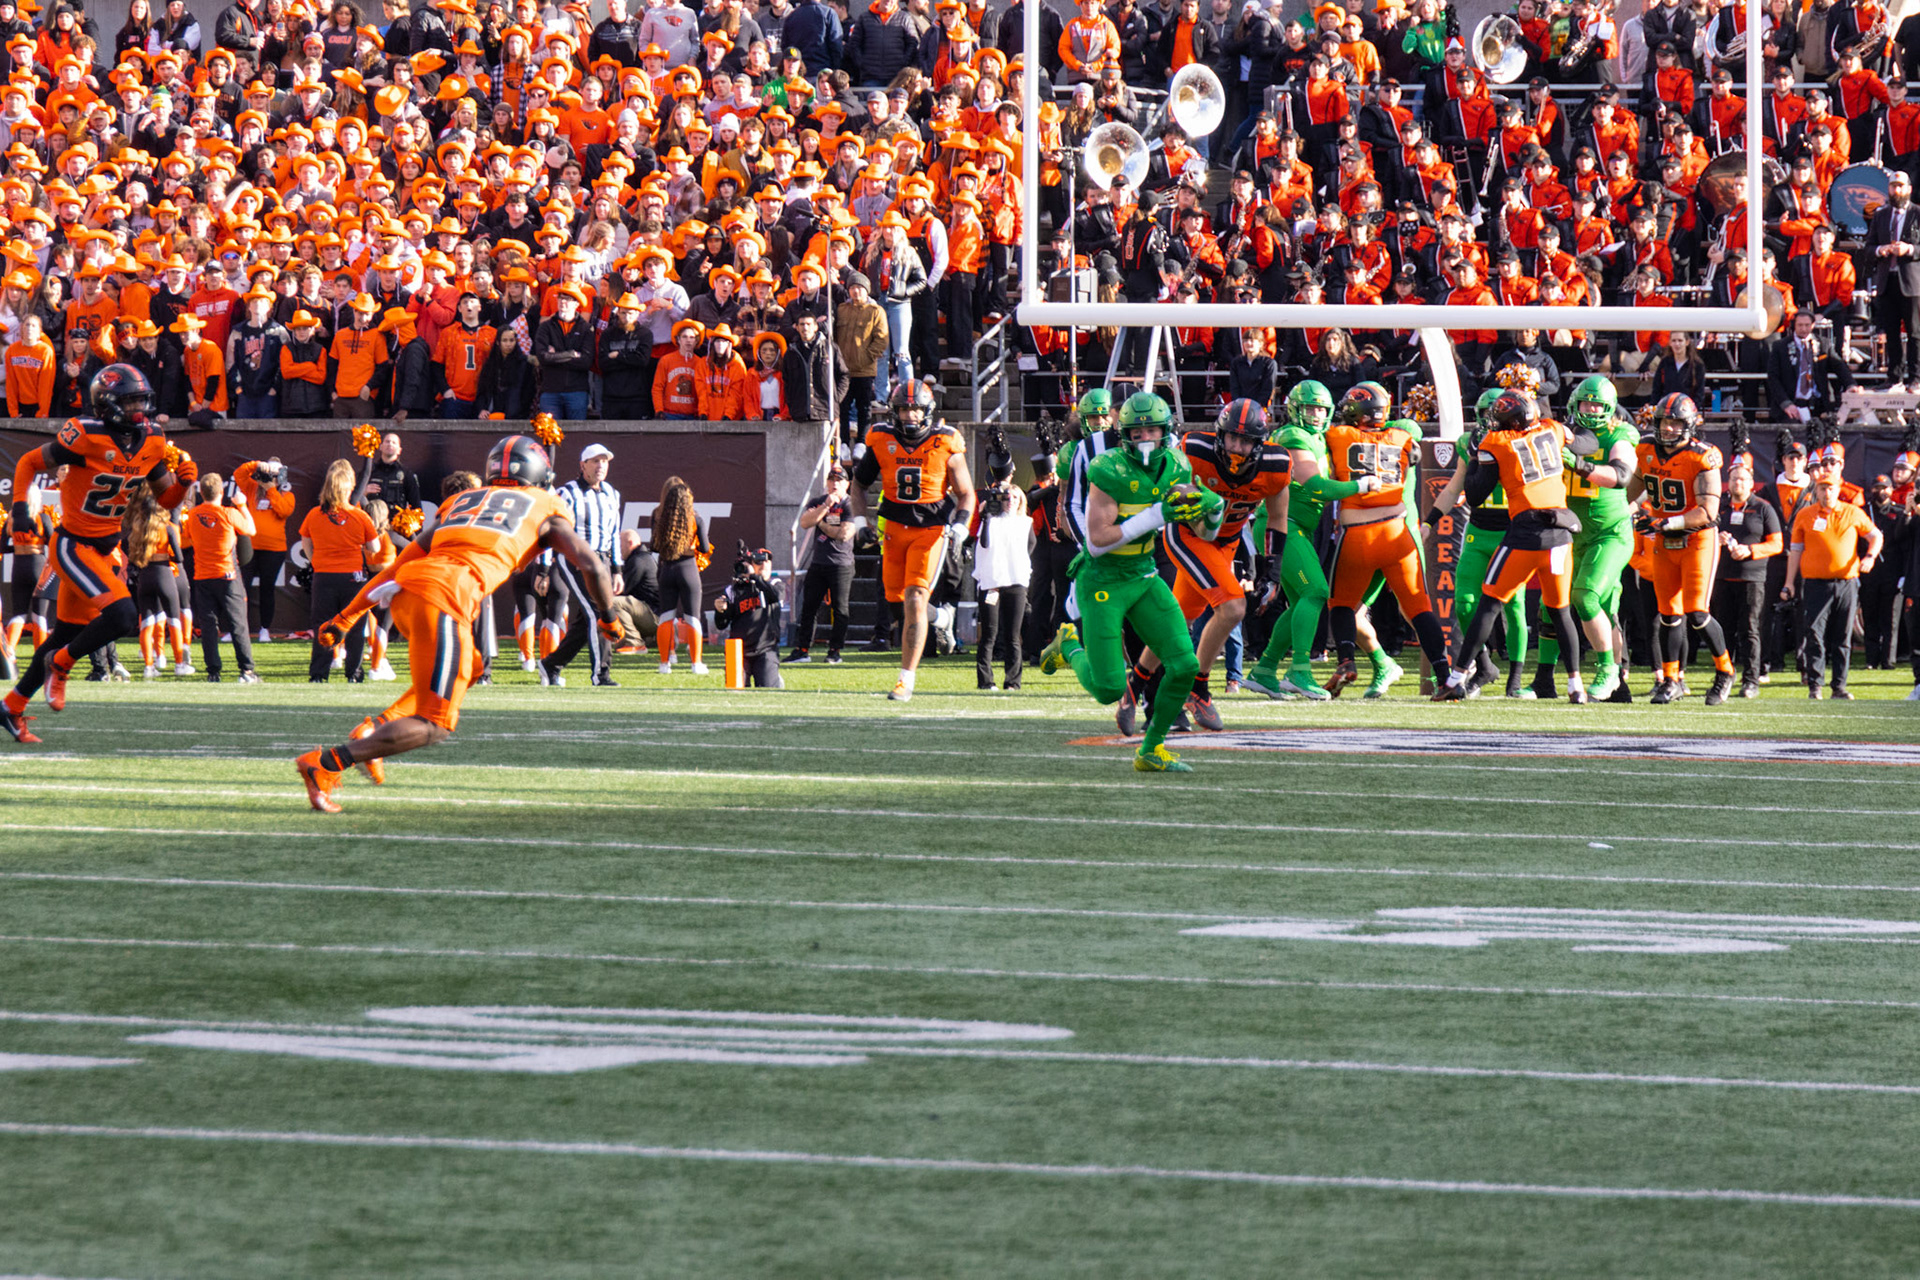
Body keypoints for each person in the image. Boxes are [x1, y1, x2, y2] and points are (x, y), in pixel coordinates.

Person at [297, 434, 622, 813]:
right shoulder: (546, 504)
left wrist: (346, 617)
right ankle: (327, 763)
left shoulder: (463, 501)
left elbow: (400, 564)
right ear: (541, 475)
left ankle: (378, 727)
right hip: (445, 599)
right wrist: (609, 618)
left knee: (471, 668)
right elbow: (593, 565)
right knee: (435, 723)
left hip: (408, 594)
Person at [3, 364, 194, 745]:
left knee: (67, 633)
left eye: (142, 400)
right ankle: (61, 665)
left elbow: (166, 500)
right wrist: (20, 506)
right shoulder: (85, 435)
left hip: (106, 548)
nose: (140, 409)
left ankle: (12, 705)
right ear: (108, 404)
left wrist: (185, 483)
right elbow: (28, 463)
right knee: (122, 615)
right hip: (72, 544)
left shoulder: (152, 440)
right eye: (131, 401)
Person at [1036, 392, 1223, 774]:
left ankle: (1151, 749)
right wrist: (1157, 514)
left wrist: (1214, 511)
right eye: (1138, 432)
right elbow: (1097, 541)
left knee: (1185, 664)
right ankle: (1068, 645)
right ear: (1125, 435)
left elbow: (1203, 531)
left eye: (1153, 430)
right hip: (1103, 578)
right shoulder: (1109, 469)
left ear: (1166, 430)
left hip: (1143, 572)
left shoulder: (1177, 464)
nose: (1146, 438)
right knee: (1108, 689)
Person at [1434, 390, 1587, 703]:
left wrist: (1476, 459)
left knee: (1490, 604)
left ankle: (1456, 678)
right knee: (1560, 612)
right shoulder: (1552, 429)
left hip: (1526, 535)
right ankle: (1576, 686)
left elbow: (1475, 494)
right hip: (1560, 534)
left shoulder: (1497, 442)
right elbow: (1588, 443)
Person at [1148, 399, 1289, 728]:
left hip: (1226, 544)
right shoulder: (1194, 451)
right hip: (1188, 535)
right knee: (1233, 607)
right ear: (1219, 435)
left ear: (1259, 444)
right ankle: (1196, 686)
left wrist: (1272, 570)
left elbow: (1277, 519)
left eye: (1245, 441)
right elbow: (1164, 488)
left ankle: (1143, 687)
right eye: (1231, 438)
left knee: (1178, 618)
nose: (1236, 448)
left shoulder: (1276, 465)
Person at [1323, 382, 1455, 696]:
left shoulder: (1338, 436)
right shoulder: (1402, 438)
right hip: (1398, 533)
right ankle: (1445, 677)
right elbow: (1413, 450)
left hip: (1359, 534)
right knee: (1419, 608)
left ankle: (1346, 661)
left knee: (1341, 604)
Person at [850, 380, 976, 701]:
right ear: (894, 411)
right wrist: (861, 522)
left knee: (916, 598)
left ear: (928, 411)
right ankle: (941, 617)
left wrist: (961, 526)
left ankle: (905, 681)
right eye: (904, 409)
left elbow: (966, 493)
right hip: (894, 528)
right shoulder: (881, 439)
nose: (910, 415)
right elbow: (858, 485)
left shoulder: (945, 441)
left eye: (916, 409)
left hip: (931, 530)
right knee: (898, 605)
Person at [1421, 389, 1535, 699]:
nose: (1494, 421)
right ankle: (1484, 665)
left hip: (1512, 531)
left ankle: (1515, 680)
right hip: (1478, 530)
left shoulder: (1522, 441)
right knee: (1465, 602)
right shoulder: (1469, 443)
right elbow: (1453, 487)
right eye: (1488, 415)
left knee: (1514, 606)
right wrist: (1429, 522)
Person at [1629, 392, 1737, 705]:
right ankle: (1671, 679)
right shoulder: (1646, 449)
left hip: (1697, 539)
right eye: (1664, 421)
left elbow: (1708, 512)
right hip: (1665, 541)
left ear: (1688, 425)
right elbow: (1632, 493)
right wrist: (1625, 513)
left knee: (1697, 612)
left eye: (1675, 422)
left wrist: (1666, 522)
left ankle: (1725, 671)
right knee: (1668, 614)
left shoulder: (1702, 456)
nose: (1668, 428)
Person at [1538, 374, 1641, 703]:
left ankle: (1608, 670)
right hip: (1569, 534)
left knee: (1585, 597)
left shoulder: (1620, 434)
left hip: (1609, 533)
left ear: (1610, 408)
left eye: (1598, 405)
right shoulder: (1563, 433)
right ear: (1575, 405)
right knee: (1552, 603)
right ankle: (1543, 679)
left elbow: (1621, 476)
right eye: (1586, 404)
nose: (1592, 410)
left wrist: (1581, 465)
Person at [1783, 465, 1883, 699]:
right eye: (1822, 488)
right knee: (1814, 634)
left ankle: (1839, 686)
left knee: (1843, 636)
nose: (1826, 492)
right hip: (1815, 584)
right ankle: (1815, 685)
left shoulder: (1853, 512)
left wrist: (1870, 557)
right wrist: (1789, 582)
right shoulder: (1805, 515)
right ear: (1816, 490)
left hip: (1847, 583)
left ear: (1838, 490)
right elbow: (1795, 550)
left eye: (1830, 488)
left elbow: (1876, 536)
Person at [299, 459, 384, 684]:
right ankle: (353, 674)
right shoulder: (360, 515)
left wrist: (316, 561)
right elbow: (375, 547)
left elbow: (305, 541)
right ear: (348, 489)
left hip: (324, 576)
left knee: (323, 625)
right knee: (355, 626)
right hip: (353, 577)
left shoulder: (314, 514)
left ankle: (319, 674)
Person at [547, 440, 623, 688]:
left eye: (605, 461)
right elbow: (553, 529)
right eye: (596, 461)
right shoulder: (567, 492)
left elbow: (614, 533)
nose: (601, 466)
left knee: (585, 620)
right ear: (583, 465)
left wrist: (617, 569)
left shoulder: (612, 493)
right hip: (575, 557)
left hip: (601, 558)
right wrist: (544, 569)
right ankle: (601, 674)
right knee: (599, 612)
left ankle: (551, 664)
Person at [181, 472, 260, 684]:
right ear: (222, 492)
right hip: (227, 576)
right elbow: (251, 530)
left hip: (203, 577)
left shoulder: (193, 515)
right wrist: (242, 505)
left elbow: (186, 539)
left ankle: (213, 672)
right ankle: (247, 671)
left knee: (209, 627)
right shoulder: (229, 513)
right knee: (238, 625)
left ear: (201, 492)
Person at [1714, 460, 1784, 698]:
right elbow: (1703, 535)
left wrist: (1750, 550)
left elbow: (1777, 544)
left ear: (1752, 483)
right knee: (1722, 631)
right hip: (1722, 578)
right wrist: (1716, 539)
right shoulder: (1720, 508)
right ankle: (1723, 677)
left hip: (1752, 579)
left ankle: (1751, 680)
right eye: (1734, 478)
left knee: (1750, 630)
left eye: (1743, 479)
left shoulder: (1763, 508)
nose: (1738, 483)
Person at [970, 431, 1032, 691]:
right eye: (1007, 497)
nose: (1010, 501)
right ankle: (986, 681)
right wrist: (985, 517)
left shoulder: (1025, 522)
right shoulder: (991, 521)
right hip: (992, 582)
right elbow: (982, 543)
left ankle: (1013, 681)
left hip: (1016, 581)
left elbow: (1030, 547)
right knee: (989, 634)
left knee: (1013, 636)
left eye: (1015, 497)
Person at [787, 464, 858, 664]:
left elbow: (844, 534)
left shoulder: (850, 504)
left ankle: (835, 651)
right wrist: (825, 507)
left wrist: (820, 522)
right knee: (809, 607)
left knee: (840, 609)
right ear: (827, 482)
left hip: (841, 564)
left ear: (847, 484)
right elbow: (804, 522)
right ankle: (802, 650)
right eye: (831, 480)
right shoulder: (819, 502)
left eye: (839, 480)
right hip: (818, 562)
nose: (835, 484)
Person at [121, 480, 191, 679]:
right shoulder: (167, 528)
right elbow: (179, 557)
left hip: (145, 577)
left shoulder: (137, 529)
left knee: (147, 622)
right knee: (173, 620)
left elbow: (127, 548)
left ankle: (149, 667)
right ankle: (180, 664)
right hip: (164, 574)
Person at [652, 474, 714, 675]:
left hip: (666, 569)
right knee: (692, 617)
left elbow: (653, 546)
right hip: (688, 569)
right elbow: (705, 548)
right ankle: (696, 664)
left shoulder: (657, 515)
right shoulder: (695, 518)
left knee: (666, 617)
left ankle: (664, 664)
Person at [713, 545, 784, 688]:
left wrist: (754, 577)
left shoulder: (775, 584)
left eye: (767, 561)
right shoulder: (733, 590)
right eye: (758, 562)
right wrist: (720, 610)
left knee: (767, 689)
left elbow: (775, 596)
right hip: (739, 650)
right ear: (750, 565)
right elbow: (721, 624)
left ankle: (774, 677)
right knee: (736, 689)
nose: (763, 565)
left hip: (765, 649)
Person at [360, 433, 422, 510]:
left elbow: (416, 507)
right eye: (387, 441)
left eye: (394, 442)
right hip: (372, 516)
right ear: (381, 447)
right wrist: (363, 492)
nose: (390, 444)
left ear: (399, 450)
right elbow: (353, 500)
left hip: (396, 516)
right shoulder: (369, 472)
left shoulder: (407, 474)